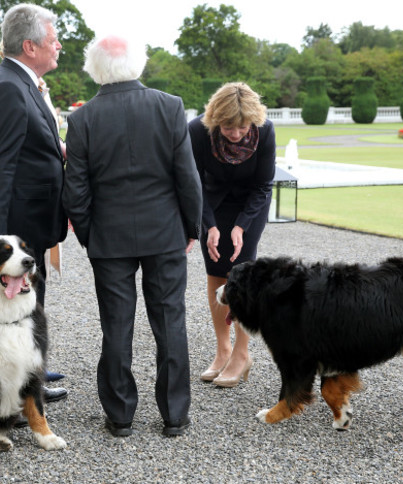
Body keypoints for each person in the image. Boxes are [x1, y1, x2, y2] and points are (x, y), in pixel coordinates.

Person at [63, 34, 202, 437]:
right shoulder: (169, 106)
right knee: (170, 320)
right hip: (164, 233)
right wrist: (189, 227)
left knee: (117, 325)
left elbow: (76, 190)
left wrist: (91, 235)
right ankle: (175, 415)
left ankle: (120, 415)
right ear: (137, 63)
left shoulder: (83, 118)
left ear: (95, 67)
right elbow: (186, 177)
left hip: (109, 237)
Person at [0, 3, 68, 404]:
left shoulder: (20, 81)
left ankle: (32, 370)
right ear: (29, 46)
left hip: (30, 221)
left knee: (27, 303)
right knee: (12, 307)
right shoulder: (9, 87)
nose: (59, 45)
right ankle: (20, 392)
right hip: (14, 225)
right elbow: (0, 168)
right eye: (52, 40)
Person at [188, 82, 275, 388]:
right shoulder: (198, 131)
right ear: (215, 120)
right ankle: (222, 349)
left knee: (241, 273)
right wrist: (209, 226)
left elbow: (264, 185)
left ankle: (241, 353)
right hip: (211, 203)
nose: (235, 134)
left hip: (251, 204)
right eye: (227, 127)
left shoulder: (265, 131)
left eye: (241, 127)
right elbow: (193, 182)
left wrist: (240, 227)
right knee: (215, 270)